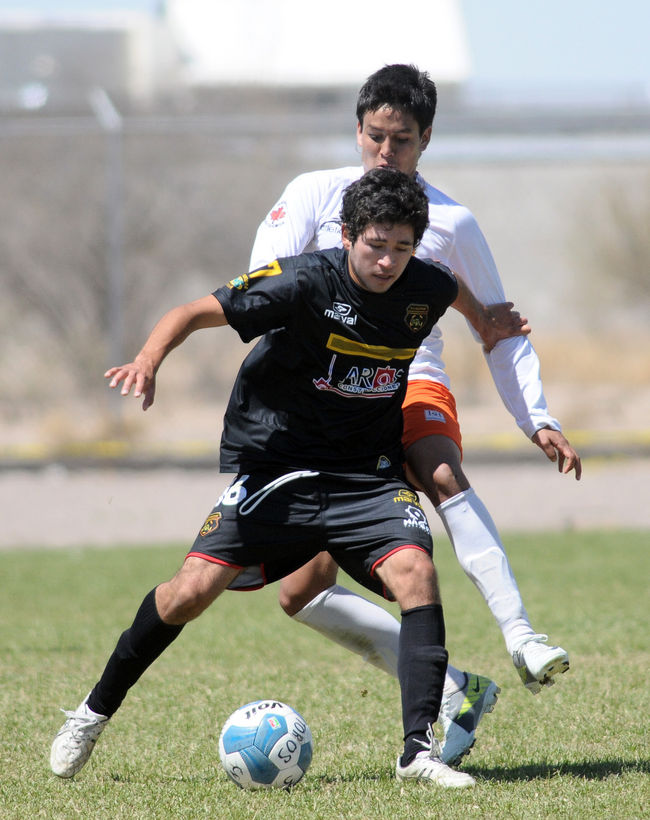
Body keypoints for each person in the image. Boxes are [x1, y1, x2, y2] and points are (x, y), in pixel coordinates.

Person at [50, 168, 478, 788]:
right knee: (187, 594)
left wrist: (490, 319)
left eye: (402, 247)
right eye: (375, 245)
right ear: (347, 234)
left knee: (416, 572)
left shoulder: (427, 286)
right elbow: (195, 310)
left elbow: (454, 290)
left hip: (367, 475)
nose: (388, 261)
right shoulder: (303, 281)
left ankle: (418, 753)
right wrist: (148, 359)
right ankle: (91, 714)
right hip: (279, 468)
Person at [249, 64, 581, 728]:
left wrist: (535, 416)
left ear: (425, 138)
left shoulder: (452, 223)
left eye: (400, 140)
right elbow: (263, 283)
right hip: (326, 399)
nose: (385, 152)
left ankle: (522, 635)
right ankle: (455, 687)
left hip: (407, 377)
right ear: (357, 130)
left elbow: (498, 328)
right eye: (375, 136)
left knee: (439, 471)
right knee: (301, 592)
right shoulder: (315, 194)